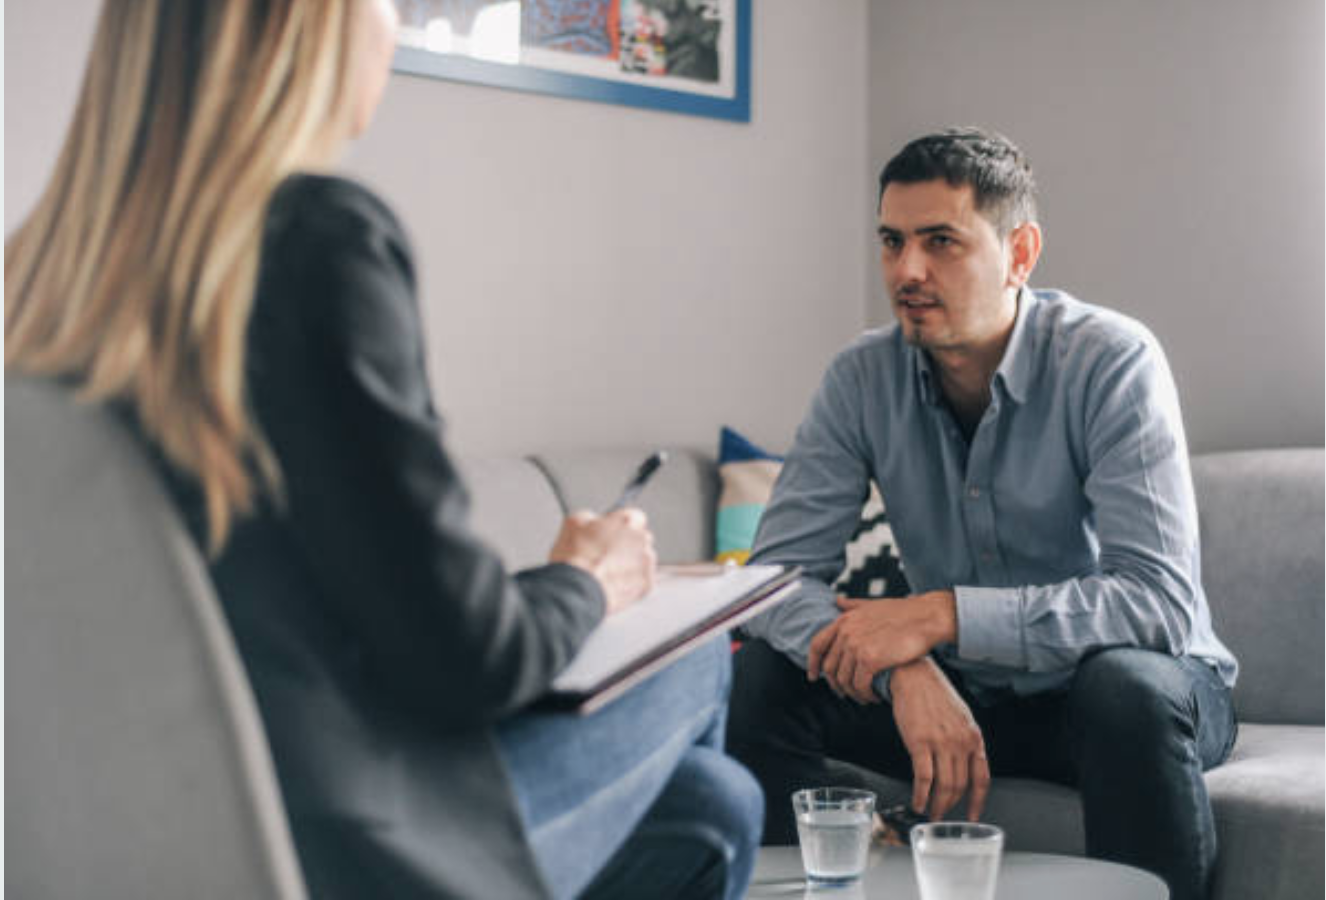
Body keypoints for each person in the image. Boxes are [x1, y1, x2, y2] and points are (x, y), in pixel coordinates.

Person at [4, 2, 762, 898]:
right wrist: (590, 580)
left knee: (712, 806)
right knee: (701, 654)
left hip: (155, 844)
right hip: (343, 848)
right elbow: (465, 662)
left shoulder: (46, 282)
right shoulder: (313, 243)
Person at [726, 127, 1238, 900]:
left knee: (1123, 687)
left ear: (1020, 252)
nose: (908, 270)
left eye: (941, 241)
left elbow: (1155, 603)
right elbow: (772, 580)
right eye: (892, 241)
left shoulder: (1111, 361)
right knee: (763, 676)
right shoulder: (861, 377)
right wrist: (902, 667)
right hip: (966, 692)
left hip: (1132, 697)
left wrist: (939, 617)